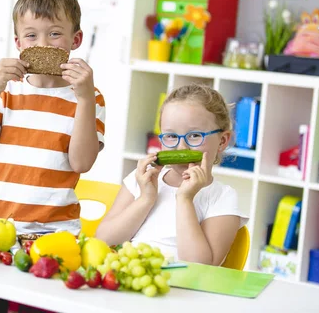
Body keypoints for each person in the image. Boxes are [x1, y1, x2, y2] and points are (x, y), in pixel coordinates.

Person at [0, 0, 106, 235]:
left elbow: (82, 163)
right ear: (18, 43)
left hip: (53, 230)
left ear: (76, 39)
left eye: (54, 34)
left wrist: (85, 100)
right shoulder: (7, 90)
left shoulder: (88, 96)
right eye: (32, 36)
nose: (43, 44)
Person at [96, 83, 248, 265]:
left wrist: (184, 199)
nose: (181, 147)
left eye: (194, 136)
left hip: (182, 290)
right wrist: (145, 199)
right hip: (130, 279)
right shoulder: (142, 180)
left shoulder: (222, 197)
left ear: (222, 141)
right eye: (171, 136)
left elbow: (202, 267)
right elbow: (103, 241)